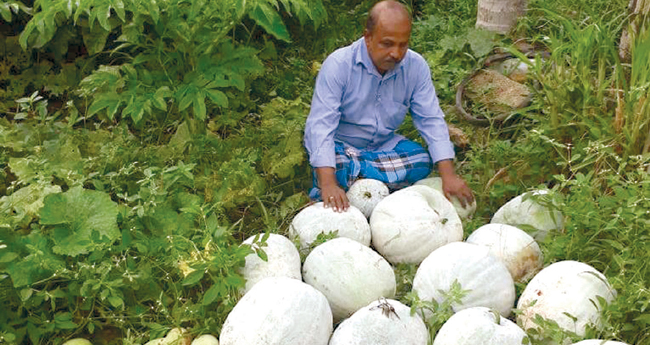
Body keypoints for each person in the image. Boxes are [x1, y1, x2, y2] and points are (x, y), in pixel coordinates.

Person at [304, 0, 474, 212]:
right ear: (368, 38)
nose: (396, 53)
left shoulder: (415, 66)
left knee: (422, 160)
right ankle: (363, 181)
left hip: (384, 146)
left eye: (403, 44)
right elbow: (321, 127)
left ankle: (359, 178)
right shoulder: (339, 65)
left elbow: (430, 120)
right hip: (342, 146)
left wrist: (448, 175)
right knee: (334, 163)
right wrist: (328, 183)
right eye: (387, 44)